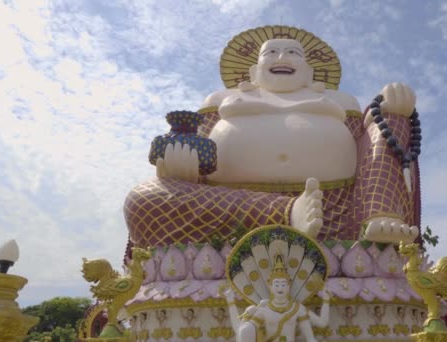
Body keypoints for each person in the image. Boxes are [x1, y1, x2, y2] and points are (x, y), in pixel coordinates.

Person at [125, 31, 421, 246]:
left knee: (389, 121)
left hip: (336, 211)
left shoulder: (339, 101)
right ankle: (288, 213)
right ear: (254, 71)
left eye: (292, 52)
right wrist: (180, 168)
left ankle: (379, 216)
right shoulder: (223, 99)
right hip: (228, 213)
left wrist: (388, 110)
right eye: (271, 52)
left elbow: (367, 147)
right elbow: (200, 152)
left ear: (308, 72)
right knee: (142, 200)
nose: (281, 57)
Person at [227, 254, 329, 342]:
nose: (280, 288)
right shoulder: (264, 309)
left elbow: (321, 324)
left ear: (289, 286)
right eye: (276, 284)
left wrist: (326, 300)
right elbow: (243, 331)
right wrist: (232, 303)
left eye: (283, 284)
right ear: (270, 287)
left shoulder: (297, 308)